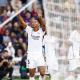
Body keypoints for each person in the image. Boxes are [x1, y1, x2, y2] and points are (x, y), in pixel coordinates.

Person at [17, 11, 46, 80]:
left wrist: (40, 18)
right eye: (31, 22)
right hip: (30, 55)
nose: (32, 23)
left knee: (42, 72)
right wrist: (18, 14)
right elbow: (22, 22)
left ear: (38, 23)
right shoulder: (29, 30)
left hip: (40, 55)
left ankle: (42, 77)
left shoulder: (41, 31)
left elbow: (44, 25)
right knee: (32, 74)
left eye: (34, 22)